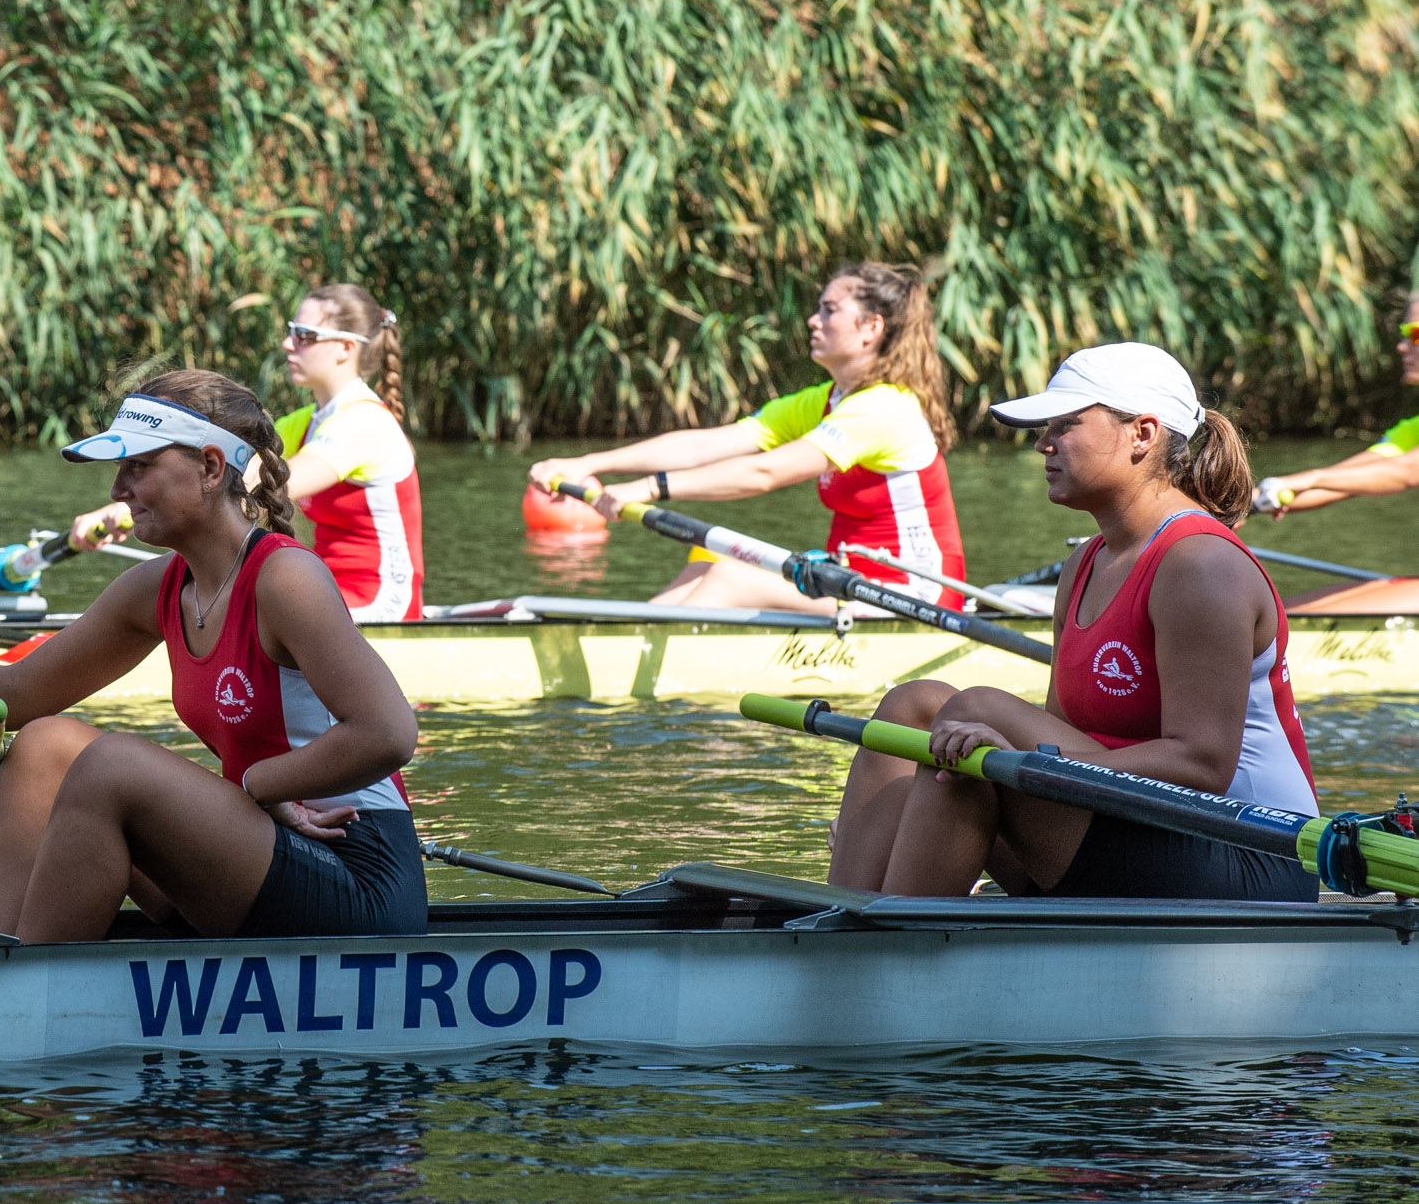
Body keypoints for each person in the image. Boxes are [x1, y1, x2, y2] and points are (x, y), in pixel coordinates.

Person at [0, 369, 423, 944]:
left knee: (112, 765)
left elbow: (389, 733)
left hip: (356, 874)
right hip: (260, 847)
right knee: (45, 743)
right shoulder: (159, 587)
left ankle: (23, 993)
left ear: (211, 468)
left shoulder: (285, 577)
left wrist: (256, 786)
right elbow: (14, 694)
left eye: (138, 466)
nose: (117, 490)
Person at [825, 343, 1316, 902]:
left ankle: (884, 947)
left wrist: (1018, 761)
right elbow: (1069, 734)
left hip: (1252, 856)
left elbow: (1201, 763)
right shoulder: (1084, 563)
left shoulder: (1199, 565)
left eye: (1066, 425)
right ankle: (844, 920)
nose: (1042, 444)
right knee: (915, 705)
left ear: (1143, 434)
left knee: (976, 714)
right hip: (1138, 823)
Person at [527, 263, 966, 614]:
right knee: (709, 559)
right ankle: (624, 645)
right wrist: (590, 464)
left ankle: (632, 669)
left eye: (829, 310)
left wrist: (647, 489)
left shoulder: (885, 408)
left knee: (728, 578)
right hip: (848, 580)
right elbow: (704, 445)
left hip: (914, 597)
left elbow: (763, 473)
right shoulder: (826, 400)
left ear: (872, 327)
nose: (813, 320)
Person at [72, 287, 423, 621]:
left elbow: (264, 483)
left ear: (345, 348)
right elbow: (214, 468)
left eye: (304, 335)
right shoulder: (304, 423)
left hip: (380, 603)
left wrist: (137, 509)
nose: (287, 344)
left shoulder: (365, 422)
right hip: (330, 589)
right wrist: (125, 505)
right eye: (290, 332)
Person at [1255, 294, 1419, 519]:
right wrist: (1250, 502)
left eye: (1416, 334)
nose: (1402, 346)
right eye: (1404, 335)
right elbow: (1346, 479)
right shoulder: (1413, 429)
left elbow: (1407, 471)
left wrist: (1313, 477)